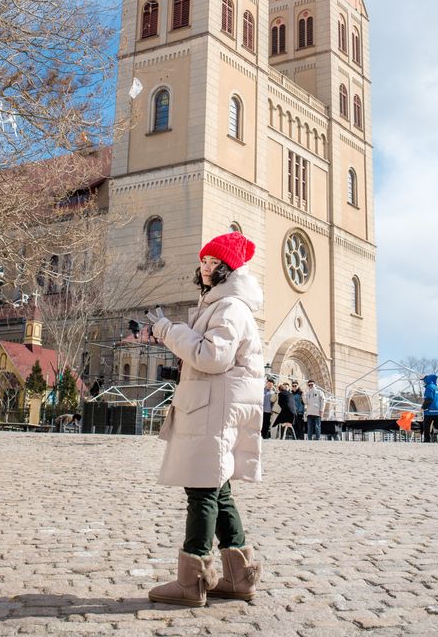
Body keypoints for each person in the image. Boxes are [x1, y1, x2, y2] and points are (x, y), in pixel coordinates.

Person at [146, 232, 264, 608]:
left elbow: (212, 358)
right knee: (218, 490)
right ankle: (239, 577)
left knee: (202, 491)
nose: (207, 268)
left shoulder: (229, 307)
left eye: (215, 263)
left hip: (214, 411)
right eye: (204, 262)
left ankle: (191, 581)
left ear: (230, 269)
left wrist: (168, 330)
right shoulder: (219, 304)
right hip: (212, 407)